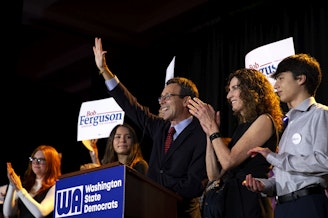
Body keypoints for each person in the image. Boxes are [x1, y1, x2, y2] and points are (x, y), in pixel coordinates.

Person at [93, 37, 207, 218]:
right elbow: (131, 106)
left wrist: (155, 183)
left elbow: (194, 185)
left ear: (186, 101)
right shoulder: (160, 127)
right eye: (161, 97)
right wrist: (104, 71)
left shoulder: (202, 134)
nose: (162, 102)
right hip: (152, 210)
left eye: (168, 96)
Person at [188, 68, 284, 218]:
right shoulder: (240, 128)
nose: (228, 95)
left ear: (250, 90)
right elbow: (214, 175)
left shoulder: (264, 120)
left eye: (234, 88)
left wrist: (213, 128)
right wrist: (209, 133)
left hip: (250, 202)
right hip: (232, 201)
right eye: (229, 89)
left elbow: (228, 161)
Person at [242, 53, 328, 218]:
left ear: (300, 79)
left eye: (281, 78)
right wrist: (265, 185)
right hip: (282, 207)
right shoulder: (288, 123)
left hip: (308, 205)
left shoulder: (320, 115)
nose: (275, 86)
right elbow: (288, 176)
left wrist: (274, 157)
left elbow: (324, 162)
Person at [3, 145, 62, 218]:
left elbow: (41, 213)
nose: (36, 163)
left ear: (52, 163)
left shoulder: (57, 186)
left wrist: (20, 190)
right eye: (34, 159)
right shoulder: (26, 184)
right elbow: (8, 213)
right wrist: (12, 184)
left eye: (41, 160)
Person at [80, 123, 149, 175]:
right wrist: (95, 157)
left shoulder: (140, 165)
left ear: (134, 141)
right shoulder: (111, 166)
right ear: (111, 141)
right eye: (118, 137)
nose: (122, 140)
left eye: (128, 137)